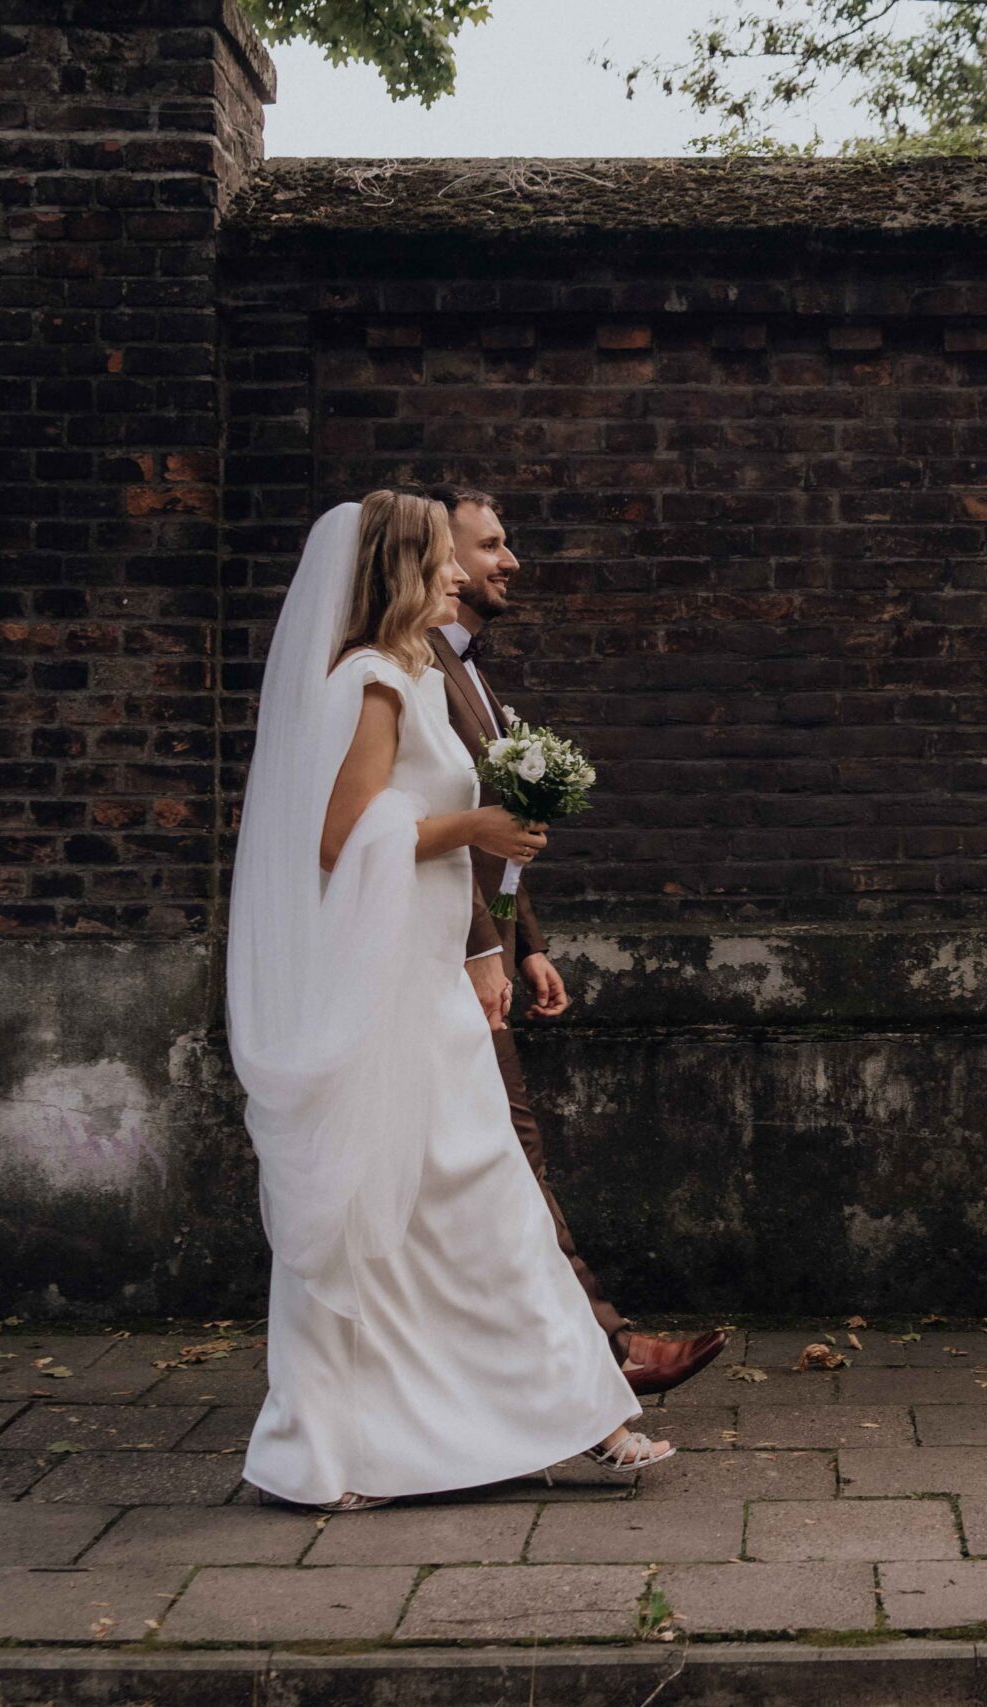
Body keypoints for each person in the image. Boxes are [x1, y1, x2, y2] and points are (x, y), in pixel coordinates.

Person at [224, 491, 673, 1511]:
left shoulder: (420, 677)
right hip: (386, 994)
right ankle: (328, 1449)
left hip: (429, 979)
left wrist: (487, 924)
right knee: (392, 1215)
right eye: (441, 562)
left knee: (484, 1204)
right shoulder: (372, 682)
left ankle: (581, 1418)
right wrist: (473, 828)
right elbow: (342, 838)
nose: (458, 576)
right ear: (400, 572)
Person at [424, 484, 728, 1397]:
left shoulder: (469, 669)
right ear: (440, 557)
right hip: (439, 955)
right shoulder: (417, 670)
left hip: (481, 947)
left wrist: (525, 939)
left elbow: (492, 832)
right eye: (489, 544)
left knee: (496, 1154)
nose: (508, 560)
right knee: (508, 1149)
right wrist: (482, 948)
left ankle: (528, 1356)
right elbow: (435, 830)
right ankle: (603, 1349)